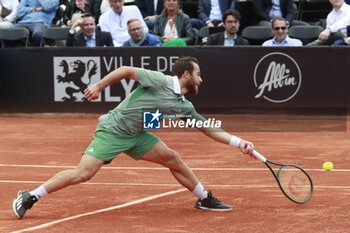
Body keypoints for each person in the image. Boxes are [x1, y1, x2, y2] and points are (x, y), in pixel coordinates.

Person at [12, 56, 255, 219]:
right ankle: (31, 195)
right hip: (113, 130)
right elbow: (126, 71)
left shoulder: (185, 106)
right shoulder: (159, 81)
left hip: (137, 135)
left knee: (173, 158)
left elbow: (208, 128)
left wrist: (239, 143)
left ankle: (204, 199)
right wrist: (97, 87)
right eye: (198, 74)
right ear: (185, 75)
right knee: (83, 174)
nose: (201, 79)